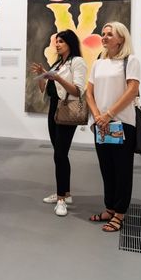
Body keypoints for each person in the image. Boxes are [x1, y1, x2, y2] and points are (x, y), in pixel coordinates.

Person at [85, 21, 140, 232]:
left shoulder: (130, 60)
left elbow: (132, 90)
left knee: (122, 170)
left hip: (122, 124)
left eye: (110, 34)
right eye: (103, 33)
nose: (104, 37)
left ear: (121, 39)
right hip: (101, 124)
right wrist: (97, 115)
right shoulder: (98, 62)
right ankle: (109, 208)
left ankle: (119, 213)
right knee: (106, 168)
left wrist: (108, 114)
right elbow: (89, 93)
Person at [30, 29, 87, 217]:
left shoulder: (77, 62)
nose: (57, 44)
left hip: (67, 110)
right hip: (53, 110)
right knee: (59, 154)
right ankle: (66, 193)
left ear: (70, 43)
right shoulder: (57, 63)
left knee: (60, 155)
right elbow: (44, 89)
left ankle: (61, 199)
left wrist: (58, 78)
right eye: (56, 41)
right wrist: (42, 75)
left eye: (61, 41)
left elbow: (78, 91)